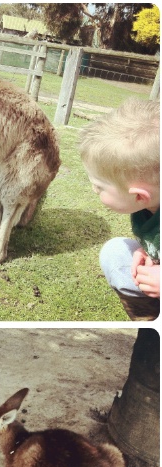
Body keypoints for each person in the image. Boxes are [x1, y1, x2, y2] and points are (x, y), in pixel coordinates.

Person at [79, 98, 160, 321]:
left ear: (138, 195)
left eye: (99, 186)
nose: (94, 190)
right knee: (116, 252)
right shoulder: (148, 206)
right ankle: (148, 318)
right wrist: (148, 252)